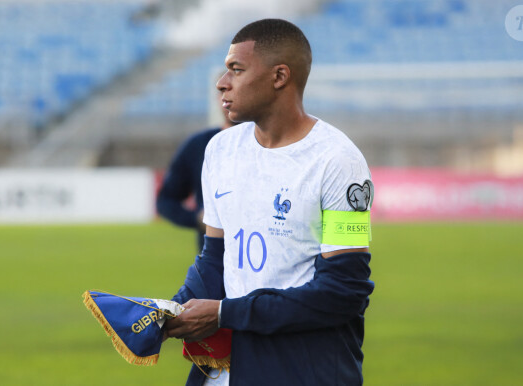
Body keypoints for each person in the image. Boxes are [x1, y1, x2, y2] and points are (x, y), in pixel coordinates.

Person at [165, 19, 375, 386]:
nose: (221, 83)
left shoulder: (338, 160)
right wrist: (170, 310)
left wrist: (223, 313)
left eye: (236, 70)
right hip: (223, 368)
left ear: (279, 77)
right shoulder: (220, 150)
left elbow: (343, 293)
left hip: (304, 367)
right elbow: (215, 258)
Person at [157, 90, 235, 252]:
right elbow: (165, 200)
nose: (227, 97)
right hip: (214, 261)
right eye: (222, 91)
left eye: (235, 89)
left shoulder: (274, 144)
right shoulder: (199, 145)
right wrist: (198, 218)